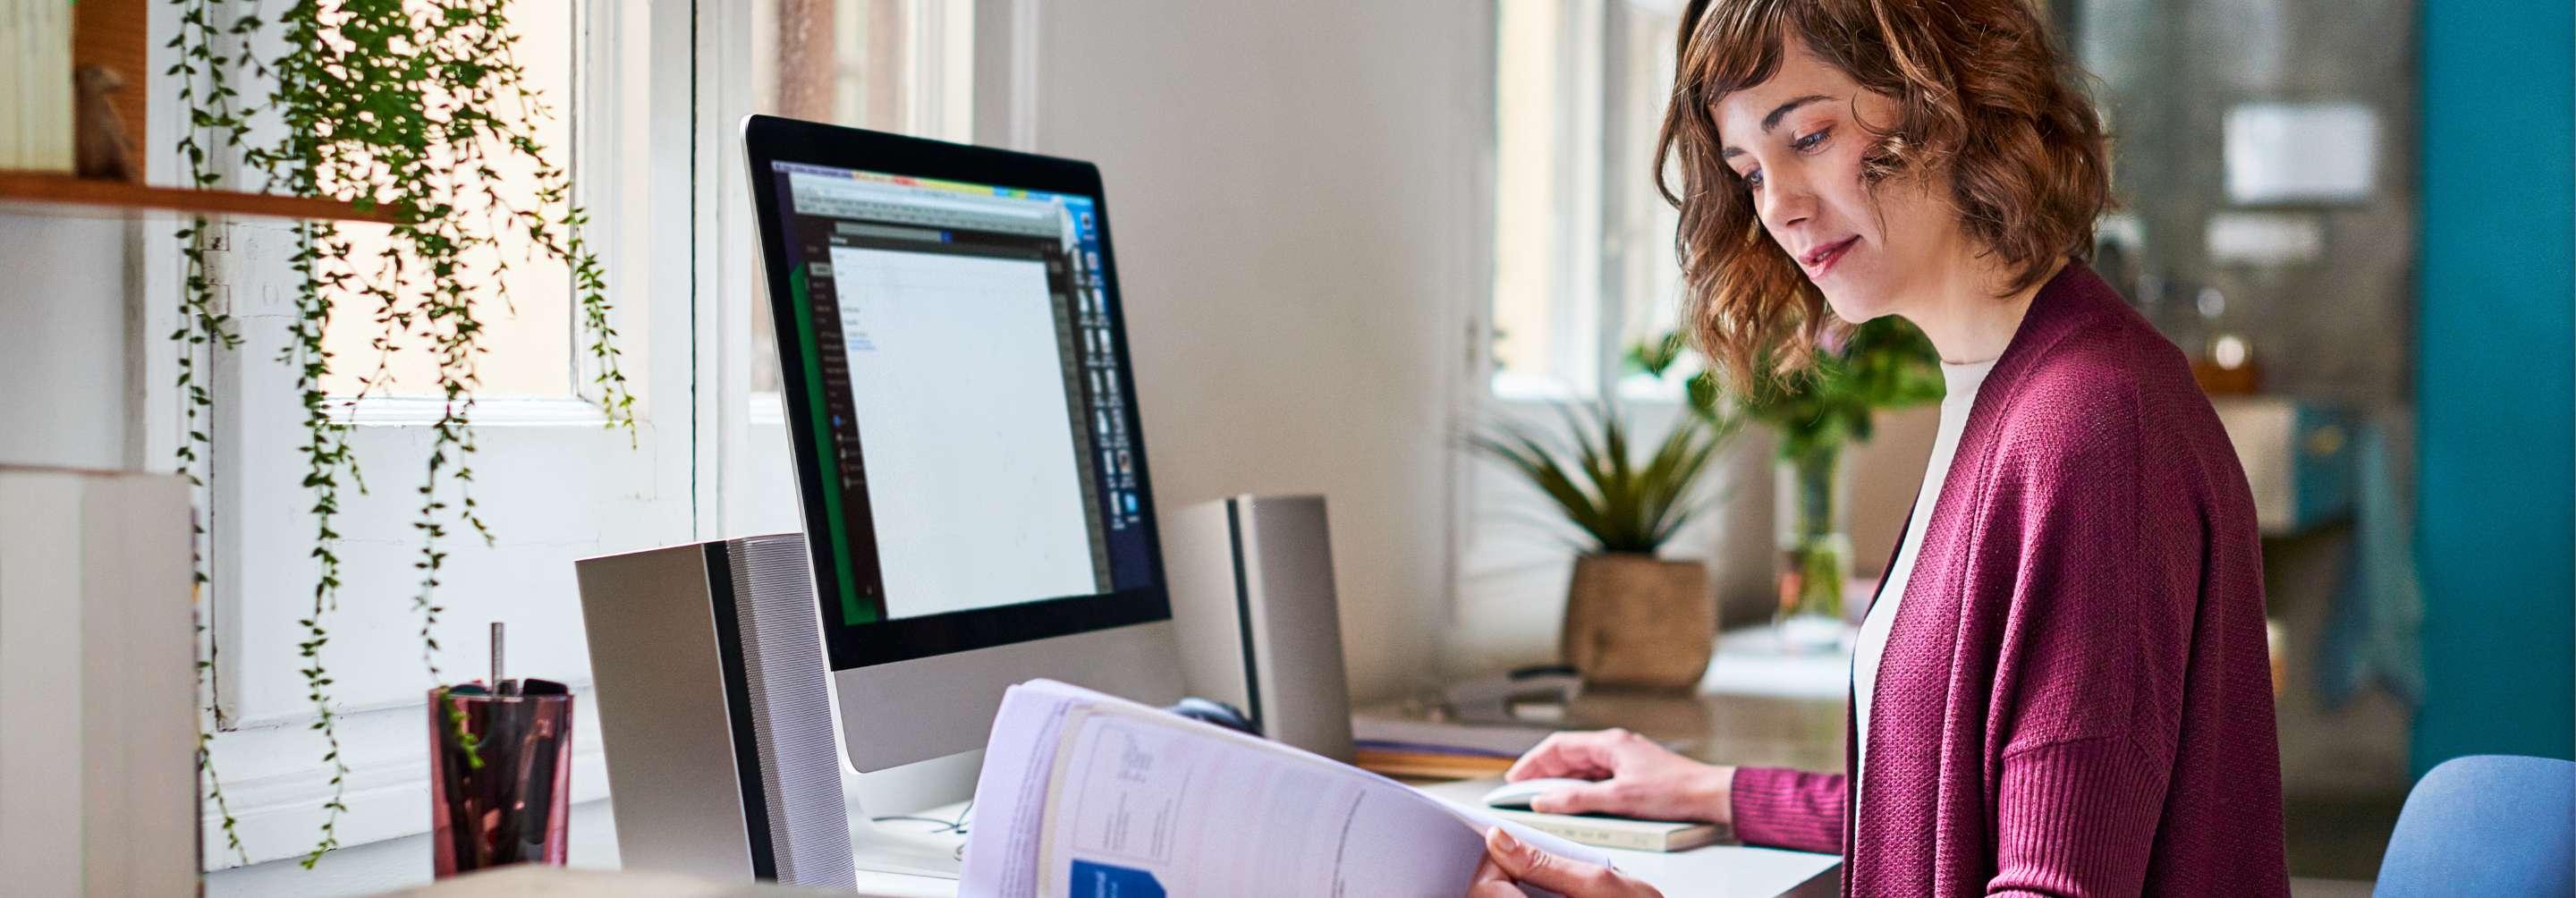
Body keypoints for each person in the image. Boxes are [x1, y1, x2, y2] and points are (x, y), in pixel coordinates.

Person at [1466, 0, 2289, 895]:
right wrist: (1712, 789)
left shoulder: (2089, 426)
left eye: (1810, 136)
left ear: (1952, 95)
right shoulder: (2007, 382)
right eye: (1747, 171)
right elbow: (1958, 795)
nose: (1778, 205)